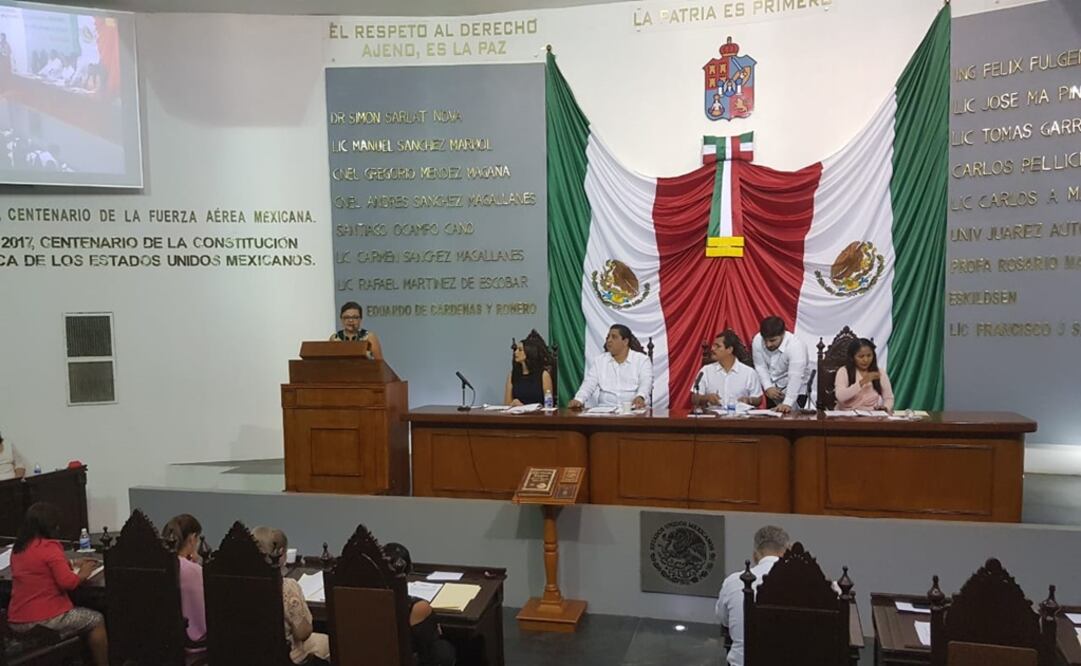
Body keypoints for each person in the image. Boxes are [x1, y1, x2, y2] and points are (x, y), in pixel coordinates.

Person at [6, 502, 108, 666]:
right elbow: (68, 583)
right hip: (45, 620)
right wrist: (85, 571)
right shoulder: (50, 547)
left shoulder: (19, 548)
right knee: (96, 619)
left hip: (17, 619)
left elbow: (40, 567)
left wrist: (72, 562)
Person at [252, 526, 330, 665]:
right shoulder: (287, 587)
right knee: (326, 641)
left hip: (245, 655)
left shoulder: (230, 584)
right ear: (280, 553)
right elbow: (303, 633)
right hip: (284, 657)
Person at [716, 525, 790, 666]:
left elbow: (724, 621)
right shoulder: (810, 584)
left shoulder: (733, 582)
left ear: (755, 555)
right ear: (787, 552)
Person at [383, 542, 456, 666]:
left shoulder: (361, 601)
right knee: (444, 648)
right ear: (409, 569)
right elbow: (431, 638)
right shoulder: (418, 607)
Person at [567, 324, 652, 410]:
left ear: (625, 341)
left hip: (634, 410)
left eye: (614, 337)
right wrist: (579, 399)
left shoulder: (642, 360)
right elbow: (588, 384)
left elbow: (646, 383)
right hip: (605, 411)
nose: (609, 340)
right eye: (608, 337)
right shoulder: (600, 361)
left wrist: (641, 397)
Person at [162, 513, 206, 653]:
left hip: (163, 639)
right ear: (192, 539)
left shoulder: (160, 566)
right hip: (192, 639)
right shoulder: (194, 570)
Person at [751, 316, 811, 414]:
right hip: (772, 389)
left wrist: (788, 402)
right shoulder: (757, 340)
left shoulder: (796, 346)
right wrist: (768, 387)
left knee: (792, 421)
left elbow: (796, 376)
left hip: (796, 389)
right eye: (765, 340)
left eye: (772, 340)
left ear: (783, 334)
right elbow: (760, 366)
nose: (768, 345)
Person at [692, 330, 763, 408]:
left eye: (717, 346)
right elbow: (694, 398)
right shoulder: (705, 371)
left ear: (729, 349)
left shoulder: (749, 372)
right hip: (714, 418)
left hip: (739, 417)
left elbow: (758, 399)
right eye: (713, 345)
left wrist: (749, 400)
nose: (712, 349)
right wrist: (706, 398)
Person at [834, 337, 894, 412]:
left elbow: (889, 398)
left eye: (869, 356)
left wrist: (885, 408)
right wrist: (862, 382)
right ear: (852, 357)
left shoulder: (879, 372)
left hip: (871, 416)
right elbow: (840, 396)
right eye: (861, 356)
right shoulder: (843, 371)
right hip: (847, 415)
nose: (865, 360)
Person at [504, 331, 553, 406]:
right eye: (516, 349)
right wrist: (513, 404)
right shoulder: (512, 375)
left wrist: (524, 407)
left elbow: (549, 405)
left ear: (529, 352)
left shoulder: (543, 375)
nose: (515, 352)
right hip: (516, 415)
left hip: (537, 416)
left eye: (520, 350)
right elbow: (506, 404)